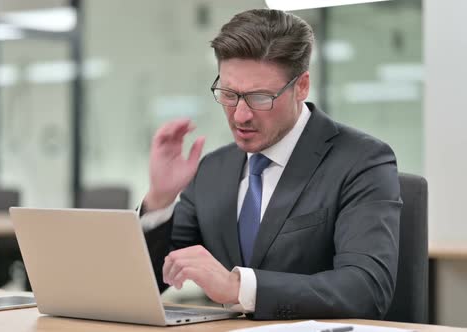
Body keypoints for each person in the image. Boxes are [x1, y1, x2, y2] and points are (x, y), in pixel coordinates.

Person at [140, 9, 401, 320]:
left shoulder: (361, 161)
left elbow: (366, 289)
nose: (239, 116)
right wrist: (160, 200)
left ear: (301, 87)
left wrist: (238, 286)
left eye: (260, 97)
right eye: (228, 94)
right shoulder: (213, 169)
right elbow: (146, 283)